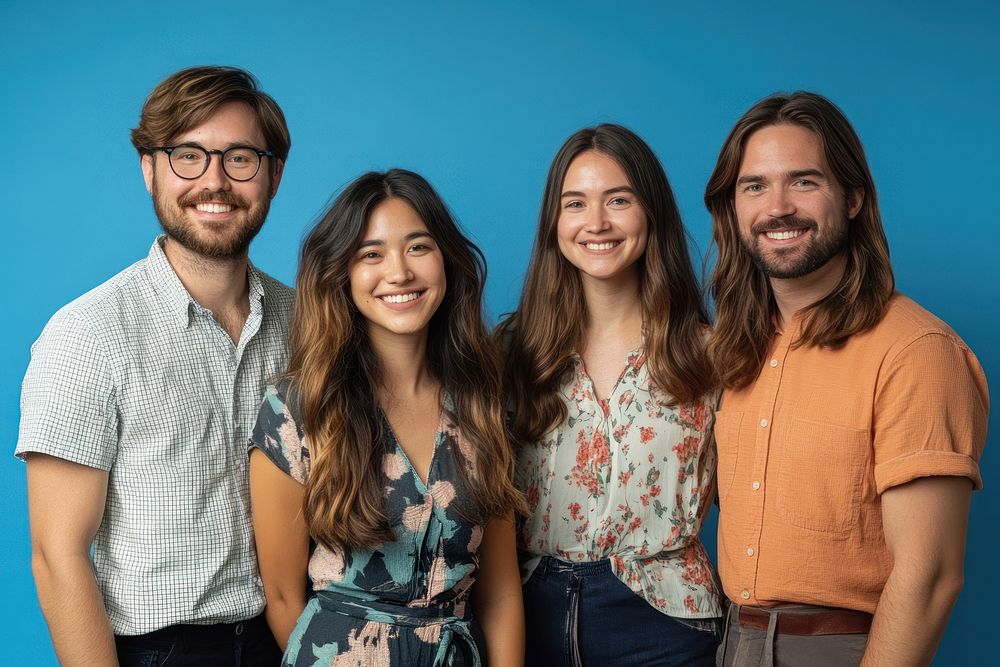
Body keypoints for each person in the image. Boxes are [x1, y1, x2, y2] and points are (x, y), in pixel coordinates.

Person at [16, 66, 292, 665]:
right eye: (187, 156)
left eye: (240, 157)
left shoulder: (309, 323)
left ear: (274, 174)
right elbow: (57, 555)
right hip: (162, 651)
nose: (213, 182)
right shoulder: (86, 335)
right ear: (150, 171)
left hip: (298, 637)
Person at [704, 91, 989, 666]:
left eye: (804, 182)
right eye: (754, 186)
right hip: (735, 643)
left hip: (842, 650)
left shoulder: (916, 351)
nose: (777, 207)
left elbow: (931, 577)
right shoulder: (737, 350)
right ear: (732, 208)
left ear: (854, 198)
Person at [249, 169, 526, 665]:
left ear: (446, 260)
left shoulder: (484, 404)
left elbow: (501, 592)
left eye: (418, 247)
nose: (399, 273)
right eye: (371, 254)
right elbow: (282, 595)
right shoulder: (297, 408)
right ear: (342, 272)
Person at [501, 124, 722, 666]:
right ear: (554, 221)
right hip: (528, 613)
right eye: (575, 203)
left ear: (651, 213)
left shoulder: (709, 355)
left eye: (618, 200)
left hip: (664, 621)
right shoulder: (510, 352)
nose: (596, 223)